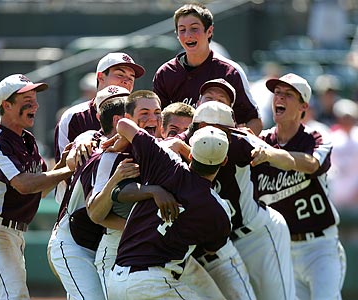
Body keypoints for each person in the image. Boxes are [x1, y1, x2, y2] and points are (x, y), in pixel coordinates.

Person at [0, 74, 74, 299]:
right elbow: (24, 185)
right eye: (27, 100)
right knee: (13, 296)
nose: (34, 104)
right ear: (6, 105)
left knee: (9, 295)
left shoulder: (27, 139)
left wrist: (63, 164)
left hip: (14, 234)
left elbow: (40, 189)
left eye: (35, 99)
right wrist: (69, 169)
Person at [107, 119, 232, 300]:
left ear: (190, 155)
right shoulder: (218, 210)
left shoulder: (165, 162)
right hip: (153, 284)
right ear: (224, 161)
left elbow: (123, 124)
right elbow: (212, 249)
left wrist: (122, 140)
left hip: (116, 280)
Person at [250, 73, 347, 300]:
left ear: (303, 106)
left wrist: (273, 155)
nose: (279, 98)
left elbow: (311, 164)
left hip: (320, 247)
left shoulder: (315, 137)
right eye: (277, 93)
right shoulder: (260, 142)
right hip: (284, 250)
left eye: (288, 95)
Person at [188, 101, 295, 300]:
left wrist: (267, 153)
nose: (215, 135)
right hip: (219, 246)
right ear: (197, 127)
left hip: (255, 235)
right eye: (208, 128)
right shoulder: (184, 141)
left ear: (231, 131)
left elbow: (289, 161)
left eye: (222, 130)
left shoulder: (240, 142)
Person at [49, 86, 132, 299]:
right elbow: (74, 155)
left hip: (99, 242)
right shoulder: (91, 139)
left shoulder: (133, 146)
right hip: (73, 243)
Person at [153, 3, 262, 135]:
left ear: (209, 31)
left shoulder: (230, 72)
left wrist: (236, 147)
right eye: (182, 30)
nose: (188, 35)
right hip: (176, 149)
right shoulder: (165, 73)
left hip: (217, 150)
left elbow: (254, 121)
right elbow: (157, 123)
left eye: (194, 29)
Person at [53, 52, 145, 205]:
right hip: (77, 209)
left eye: (131, 78)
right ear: (101, 77)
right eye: (120, 74)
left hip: (121, 204)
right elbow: (63, 173)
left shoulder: (137, 117)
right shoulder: (74, 116)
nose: (126, 81)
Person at [328, 98, 358, 207]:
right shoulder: (332, 137)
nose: (347, 120)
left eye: (349, 117)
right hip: (336, 197)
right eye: (344, 117)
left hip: (355, 197)